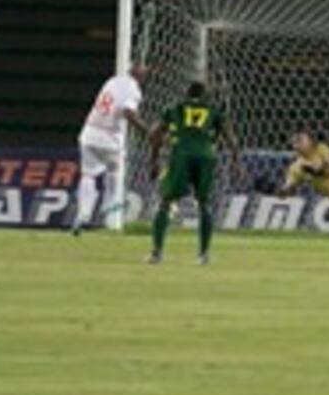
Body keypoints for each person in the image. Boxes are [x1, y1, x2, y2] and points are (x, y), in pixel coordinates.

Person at [147, 81, 239, 266]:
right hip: (207, 156)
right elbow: (231, 138)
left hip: (181, 154)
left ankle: (157, 253)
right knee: (204, 203)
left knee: (166, 201)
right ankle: (204, 255)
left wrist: (154, 160)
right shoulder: (214, 110)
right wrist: (235, 162)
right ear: (205, 95)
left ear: (186, 93)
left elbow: (154, 133)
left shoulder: (174, 108)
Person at [73, 64, 149, 234]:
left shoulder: (112, 81)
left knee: (88, 175)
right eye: (144, 74)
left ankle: (83, 215)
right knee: (115, 169)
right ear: (139, 76)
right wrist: (147, 131)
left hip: (89, 132)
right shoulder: (133, 90)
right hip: (110, 137)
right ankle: (109, 203)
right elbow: (129, 112)